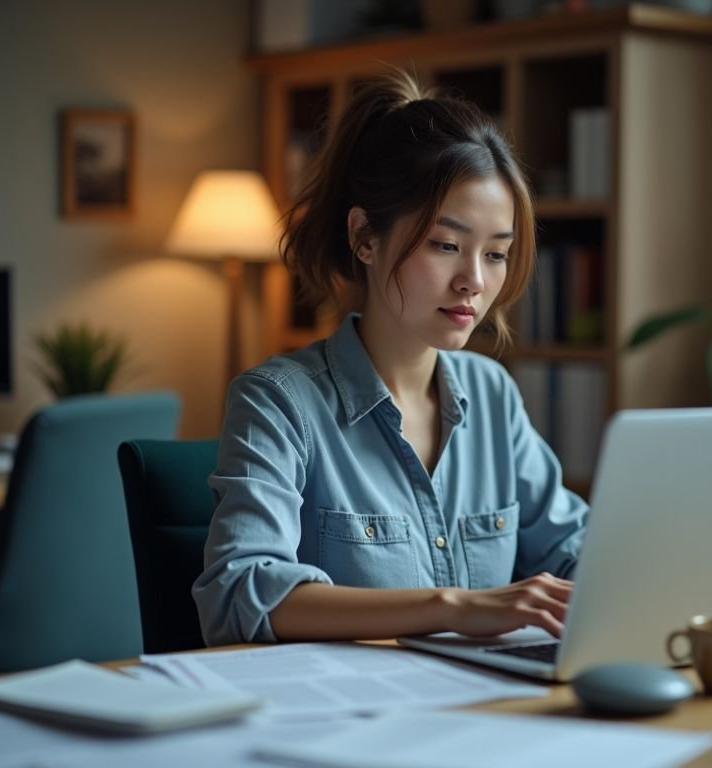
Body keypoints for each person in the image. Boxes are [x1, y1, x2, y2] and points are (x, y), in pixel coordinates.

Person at [192, 69, 589, 646]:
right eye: (446, 245)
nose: (473, 282)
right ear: (365, 238)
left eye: (497, 254)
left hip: (495, 710)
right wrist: (454, 606)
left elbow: (575, 552)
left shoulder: (493, 393)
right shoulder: (279, 401)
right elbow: (238, 594)